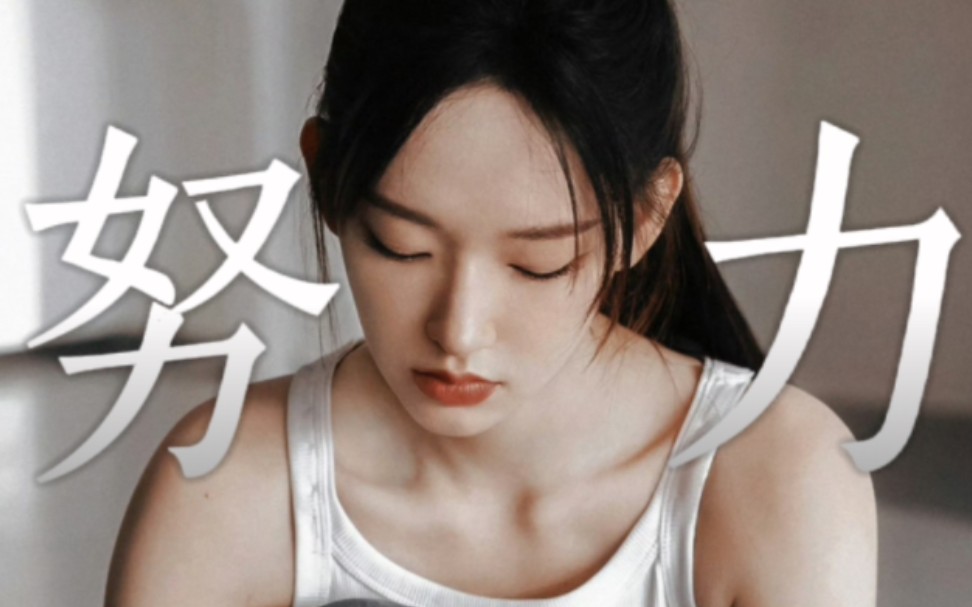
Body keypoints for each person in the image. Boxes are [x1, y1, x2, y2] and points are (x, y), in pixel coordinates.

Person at [105, 1, 877, 605]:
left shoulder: (778, 480)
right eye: (401, 247)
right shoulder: (227, 485)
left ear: (646, 218)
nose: (459, 330)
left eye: (538, 264)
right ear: (328, 177)